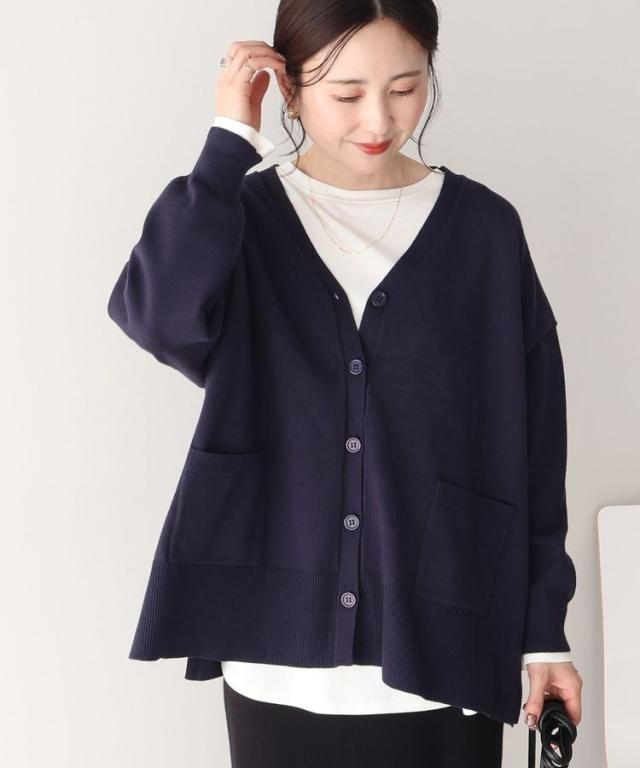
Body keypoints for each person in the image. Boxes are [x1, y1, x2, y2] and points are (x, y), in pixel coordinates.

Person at [108, 3, 583, 766]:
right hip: (275, 656)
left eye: (405, 88)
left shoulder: (484, 231)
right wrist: (229, 140)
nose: (379, 119)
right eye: (347, 93)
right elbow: (158, 316)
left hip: (446, 644)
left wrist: (543, 633)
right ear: (291, 90)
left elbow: (533, 444)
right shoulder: (241, 217)